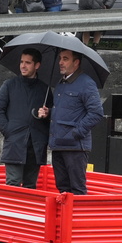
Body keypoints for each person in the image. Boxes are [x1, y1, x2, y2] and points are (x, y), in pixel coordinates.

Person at [37, 49, 104, 195]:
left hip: (75, 147)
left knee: (78, 190)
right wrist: (49, 113)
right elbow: (66, 111)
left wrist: (77, 132)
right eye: (60, 58)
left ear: (76, 62)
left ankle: (78, 218)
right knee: (62, 189)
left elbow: (97, 113)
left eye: (65, 59)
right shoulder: (60, 84)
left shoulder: (86, 83)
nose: (60, 62)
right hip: (58, 145)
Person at [0, 48, 51, 188]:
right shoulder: (9, 85)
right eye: (21, 62)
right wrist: (9, 131)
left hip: (36, 145)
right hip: (15, 142)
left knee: (31, 186)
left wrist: (48, 114)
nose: (23, 66)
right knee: (13, 183)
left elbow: (52, 116)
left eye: (28, 63)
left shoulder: (45, 89)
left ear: (37, 65)